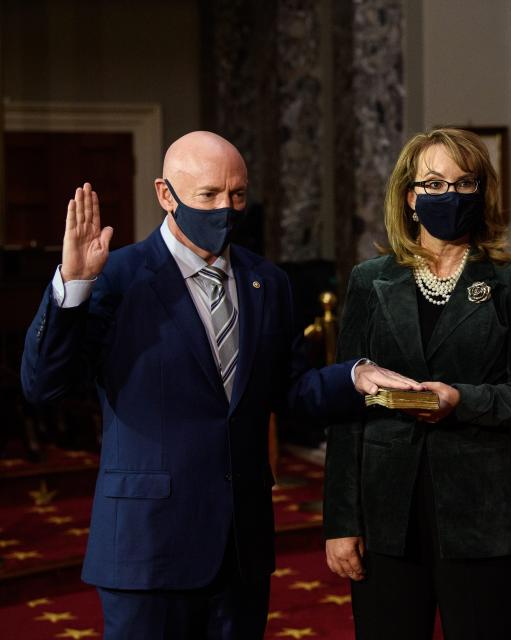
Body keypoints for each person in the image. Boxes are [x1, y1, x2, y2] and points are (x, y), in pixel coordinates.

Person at [20, 131, 419, 639]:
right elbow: (43, 386)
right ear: (167, 195)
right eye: (208, 196)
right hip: (148, 549)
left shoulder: (267, 282)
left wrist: (355, 377)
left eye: (236, 195)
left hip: (240, 546)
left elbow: (290, 391)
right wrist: (73, 286)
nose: (225, 209)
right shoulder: (116, 278)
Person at [323, 128, 511, 639]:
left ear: (481, 192)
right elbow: (346, 405)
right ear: (410, 197)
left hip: (480, 512)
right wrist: (342, 523)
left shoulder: (510, 282)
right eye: (433, 184)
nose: (448, 196)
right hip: (386, 513)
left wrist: (463, 400)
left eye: (463, 183)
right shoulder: (370, 280)